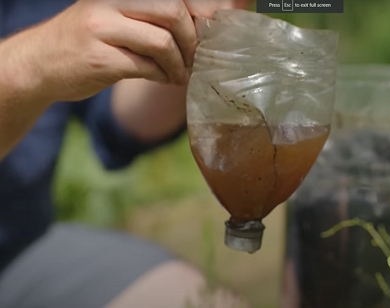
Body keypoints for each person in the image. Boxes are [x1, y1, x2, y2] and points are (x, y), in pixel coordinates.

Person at [0, 0, 251, 307]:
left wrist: (190, 35)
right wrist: (32, 61)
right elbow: (48, 54)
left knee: (202, 302)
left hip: (19, 249)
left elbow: (119, 117)